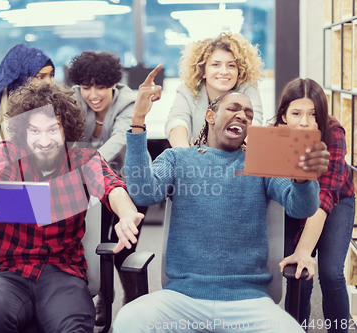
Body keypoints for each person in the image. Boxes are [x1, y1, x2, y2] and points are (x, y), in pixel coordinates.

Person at [113, 66, 331, 332]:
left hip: (249, 302)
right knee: (128, 320)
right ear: (210, 116)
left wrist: (303, 177)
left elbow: (301, 207)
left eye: (249, 114)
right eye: (234, 109)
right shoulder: (178, 158)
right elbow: (143, 192)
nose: (242, 115)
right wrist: (138, 120)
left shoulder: (262, 161)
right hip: (183, 299)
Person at [0, 81, 144, 333]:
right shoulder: (6, 152)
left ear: (66, 129)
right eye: (35, 131)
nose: (44, 140)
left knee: (73, 327)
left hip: (61, 270)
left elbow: (111, 186)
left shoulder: (85, 159)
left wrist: (126, 213)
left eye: (53, 129)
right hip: (7, 271)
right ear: (22, 131)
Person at [68, 51, 147, 325]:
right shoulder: (73, 100)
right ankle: (103, 296)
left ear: (113, 83)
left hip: (129, 178)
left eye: (100, 86)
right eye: (86, 86)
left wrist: (88, 167)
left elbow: (118, 142)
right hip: (88, 181)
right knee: (94, 241)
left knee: (123, 245)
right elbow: (70, 142)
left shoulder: (130, 101)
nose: (93, 94)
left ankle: (131, 297)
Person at [275, 78, 355, 333]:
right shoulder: (274, 136)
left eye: (313, 114)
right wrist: (301, 256)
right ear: (284, 115)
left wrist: (304, 251)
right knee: (299, 277)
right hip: (296, 201)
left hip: (336, 200)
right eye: (296, 113)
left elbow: (324, 198)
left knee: (331, 273)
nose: (305, 122)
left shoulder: (333, 132)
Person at [165, 32, 264, 148]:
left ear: (239, 71)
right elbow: (177, 122)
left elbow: (254, 125)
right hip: (196, 158)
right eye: (215, 65)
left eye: (231, 65)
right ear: (203, 71)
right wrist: (187, 156)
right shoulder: (188, 90)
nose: (224, 71)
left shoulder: (248, 88)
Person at [0, 44, 55, 158]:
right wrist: (2, 162)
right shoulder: (3, 97)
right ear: (23, 77)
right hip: (13, 161)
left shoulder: (53, 97)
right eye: (40, 77)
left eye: (51, 75)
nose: (49, 82)